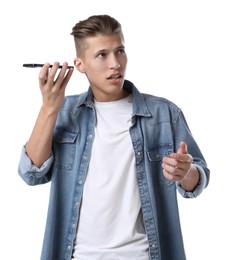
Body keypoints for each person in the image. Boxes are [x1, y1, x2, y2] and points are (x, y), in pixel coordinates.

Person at [18, 14, 210, 260]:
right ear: (79, 65)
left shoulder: (163, 114)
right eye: (102, 55)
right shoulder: (64, 113)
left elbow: (198, 178)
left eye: (120, 51)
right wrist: (49, 108)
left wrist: (187, 174)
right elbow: (31, 173)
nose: (115, 63)